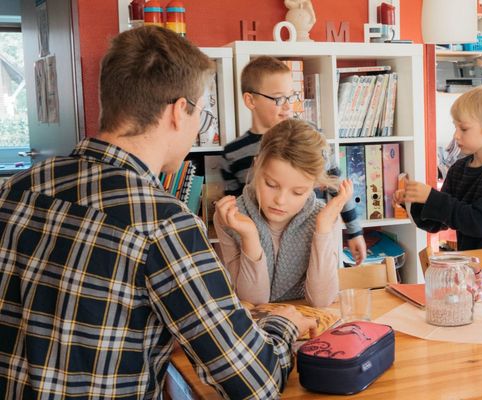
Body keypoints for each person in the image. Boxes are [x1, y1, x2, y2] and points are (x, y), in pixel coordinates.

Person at [0, 26, 316, 400]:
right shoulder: (164, 223)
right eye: (202, 112)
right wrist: (285, 322)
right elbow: (253, 383)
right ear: (179, 111)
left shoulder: (16, 187)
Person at [219, 56, 368, 265]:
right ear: (250, 100)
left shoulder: (313, 138)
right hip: (263, 254)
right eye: (279, 99)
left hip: (314, 242)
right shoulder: (233, 153)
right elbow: (236, 213)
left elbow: (337, 185)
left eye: (292, 97)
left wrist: (355, 232)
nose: (288, 106)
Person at [215, 119, 351, 307]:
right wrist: (249, 237)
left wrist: (323, 229)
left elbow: (321, 301)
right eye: (271, 185)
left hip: (307, 326)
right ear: (257, 166)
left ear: (315, 185)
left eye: (298, 192)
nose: (280, 200)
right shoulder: (232, 217)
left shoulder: (324, 217)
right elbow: (254, 302)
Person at [397, 86, 482, 251]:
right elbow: (437, 222)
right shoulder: (458, 169)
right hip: (473, 266)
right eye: (455, 127)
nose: (456, 135)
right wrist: (414, 201)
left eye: (463, 128)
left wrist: (432, 198)